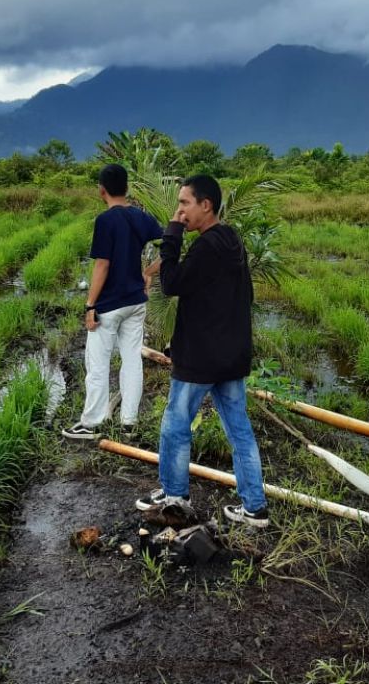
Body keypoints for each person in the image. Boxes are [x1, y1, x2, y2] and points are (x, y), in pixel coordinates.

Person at [134, 174, 268, 527]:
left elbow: (173, 283)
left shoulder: (206, 246)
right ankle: (255, 507)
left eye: (184, 203)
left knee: (175, 425)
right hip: (231, 356)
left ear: (205, 205)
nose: (179, 211)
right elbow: (244, 297)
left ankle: (175, 494)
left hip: (202, 358)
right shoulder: (232, 240)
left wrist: (172, 235)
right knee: (239, 430)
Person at [62, 163, 163, 440]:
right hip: (136, 302)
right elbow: (170, 249)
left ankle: (91, 424)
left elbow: (102, 265)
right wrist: (149, 272)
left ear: (101, 190)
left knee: (98, 362)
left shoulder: (105, 221)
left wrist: (90, 304)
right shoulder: (142, 217)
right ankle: (128, 423)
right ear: (127, 188)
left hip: (110, 304)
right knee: (132, 359)